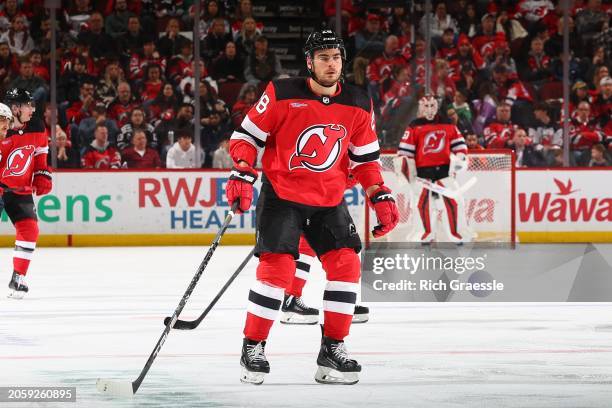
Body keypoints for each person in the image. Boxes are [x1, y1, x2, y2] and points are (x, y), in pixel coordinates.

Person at [226, 29, 399, 385]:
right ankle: (252, 347)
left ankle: (333, 349)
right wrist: (242, 170)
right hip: (283, 196)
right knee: (277, 271)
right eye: (323, 58)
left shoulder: (358, 102)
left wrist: (378, 193)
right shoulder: (281, 92)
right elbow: (246, 137)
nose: (331, 64)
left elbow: (365, 159)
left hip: (328, 201)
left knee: (347, 264)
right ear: (310, 63)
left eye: (335, 57)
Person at [396, 94, 468, 243]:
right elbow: (405, 152)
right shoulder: (414, 125)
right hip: (423, 174)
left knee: (453, 203)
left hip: (444, 172)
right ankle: (427, 233)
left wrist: (460, 158)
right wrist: (406, 169)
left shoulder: (448, 124)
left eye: (432, 106)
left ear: (437, 106)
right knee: (422, 205)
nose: (429, 109)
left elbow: (460, 146)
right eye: (426, 106)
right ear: (421, 108)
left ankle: (455, 234)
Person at [1, 89, 52, 299]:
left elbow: (40, 156)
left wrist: (42, 175)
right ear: (15, 108)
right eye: (27, 105)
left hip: (18, 189)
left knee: (30, 229)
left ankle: (18, 277)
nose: (32, 108)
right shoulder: (3, 130)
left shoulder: (37, 126)